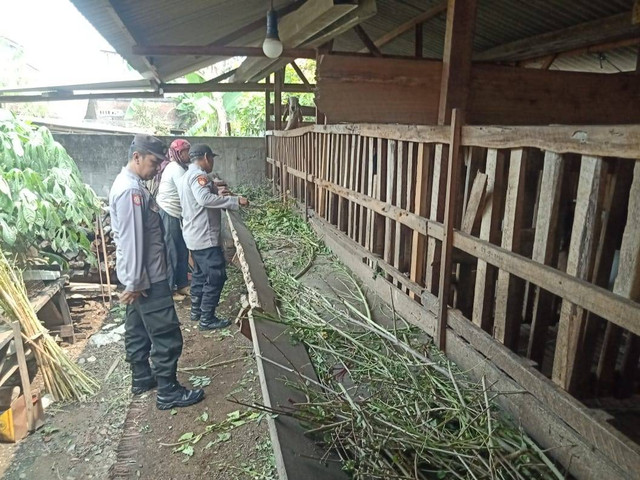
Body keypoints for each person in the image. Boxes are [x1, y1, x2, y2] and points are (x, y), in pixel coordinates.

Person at [109, 134, 204, 410]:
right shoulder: (131, 192)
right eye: (152, 162)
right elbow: (134, 241)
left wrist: (131, 282)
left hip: (139, 278)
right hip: (148, 279)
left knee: (137, 329)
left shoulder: (130, 185)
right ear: (136, 157)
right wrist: (136, 283)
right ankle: (168, 391)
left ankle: (141, 378)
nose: (155, 168)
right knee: (166, 333)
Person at [177, 143, 249, 330]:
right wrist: (234, 201)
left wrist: (216, 191)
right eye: (213, 158)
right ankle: (207, 319)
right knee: (216, 275)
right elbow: (204, 199)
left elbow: (200, 196)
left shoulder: (187, 175)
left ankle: (196, 311)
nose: (213, 162)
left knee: (200, 274)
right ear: (207, 157)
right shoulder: (199, 176)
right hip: (204, 237)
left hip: (193, 235)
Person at [156, 139, 191, 301]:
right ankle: (170, 290)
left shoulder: (181, 168)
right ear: (178, 153)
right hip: (168, 212)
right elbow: (187, 192)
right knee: (171, 252)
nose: (188, 154)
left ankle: (182, 284)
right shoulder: (175, 169)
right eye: (185, 151)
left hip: (175, 214)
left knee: (182, 249)